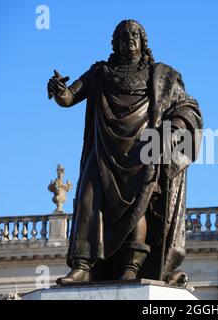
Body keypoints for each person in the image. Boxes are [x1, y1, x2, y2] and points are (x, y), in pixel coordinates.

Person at [47, 19, 202, 284]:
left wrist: (174, 129)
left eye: (134, 34)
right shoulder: (100, 73)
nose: (128, 38)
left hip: (144, 151)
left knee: (137, 208)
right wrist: (59, 91)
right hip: (104, 151)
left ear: (143, 41)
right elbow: (70, 97)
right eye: (122, 35)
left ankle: (131, 266)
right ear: (115, 42)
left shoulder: (161, 75)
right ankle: (83, 265)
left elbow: (188, 107)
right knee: (88, 198)